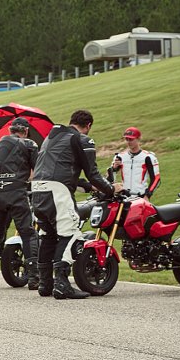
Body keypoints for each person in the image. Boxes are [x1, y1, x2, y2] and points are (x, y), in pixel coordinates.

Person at [31, 110, 122, 300]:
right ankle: (62, 284)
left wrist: (88, 188)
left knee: (48, 235)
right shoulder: (82, 139)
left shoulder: (51, 138)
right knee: (71, 233)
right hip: (57, 193)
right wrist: (111, 189)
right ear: (88, 125)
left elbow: (65, 171)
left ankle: (45, 284)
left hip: (37, 191)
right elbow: (93, 173)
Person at [0, 117, 39, 290]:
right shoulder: (29, 144)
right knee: (27, 233)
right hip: (16, 193)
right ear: (25, 131)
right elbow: (38, 170)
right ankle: (34, 277)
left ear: (10, 130)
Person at [111, 126, 160, 197]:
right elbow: (110, 178)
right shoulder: (119, 157)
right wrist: (114, 168)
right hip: (124, 198)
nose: (128, 142)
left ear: (138, 139)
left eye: (131, 139)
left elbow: (156, 179)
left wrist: (147, 195)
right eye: (126, 139)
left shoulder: (148, 157)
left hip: (141, 198)